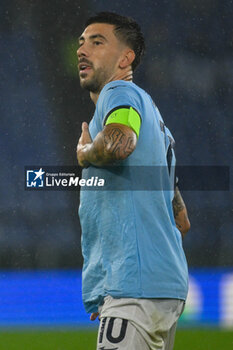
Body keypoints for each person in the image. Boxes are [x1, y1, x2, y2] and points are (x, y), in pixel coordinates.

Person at [76, 12, 190, 350]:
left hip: (134, 289)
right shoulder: (157, 122)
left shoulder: (119, 93)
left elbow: (118, 143)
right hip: (163, 288)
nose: (83, 50)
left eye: (97, 42)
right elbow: (180, 219)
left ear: (127, 58)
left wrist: (85, 154)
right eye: (81, 43)